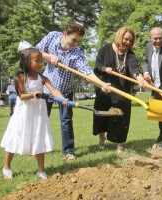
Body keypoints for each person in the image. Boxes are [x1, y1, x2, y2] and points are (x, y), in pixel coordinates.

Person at [36, 22, 110, 161]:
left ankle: (69, 151)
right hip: (47, 87)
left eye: (79, 41)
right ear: (65, 34)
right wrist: (48, 56)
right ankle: (37, 148)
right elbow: (33, 51)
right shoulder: (52, 37)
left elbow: (86, 72)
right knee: (42, 119)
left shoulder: (77, 53)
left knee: (66, 121)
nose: (75, 44)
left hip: (66, 90)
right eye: (73, 40)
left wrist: (101, 84)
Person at [0, 48, 68, 180]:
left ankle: (41, 171)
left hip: (38, 113)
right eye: (36, 61)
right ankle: (6, 166)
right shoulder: (20, 77)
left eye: (41, 61)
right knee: (16, 136)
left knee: (39, 137)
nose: (40, 64)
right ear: (26, 62)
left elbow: (54, 90)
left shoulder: (42, 78)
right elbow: (22, 96)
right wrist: (33, 94)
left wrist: (63, 99)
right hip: (23, 113)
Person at [93, 27, 146, 154]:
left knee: (121, 118)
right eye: (126, 39)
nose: (127, 42)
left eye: (130, 41)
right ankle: (101, 140)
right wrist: (105, 69)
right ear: (119, 37)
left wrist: (140, 79)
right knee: (102, 116)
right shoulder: (106, 48)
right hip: (105, 89)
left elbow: (135, 70)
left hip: (122, 92)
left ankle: (119, 145)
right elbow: (97, 65)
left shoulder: (131, 55)